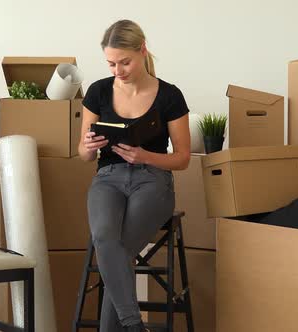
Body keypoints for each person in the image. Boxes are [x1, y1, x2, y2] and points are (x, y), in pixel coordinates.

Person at [78, 19, 190, 332]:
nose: (118, 70)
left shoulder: (169, 96)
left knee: (117, 250)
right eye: (111, 63)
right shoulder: (99, 92)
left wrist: (144, 156)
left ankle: (128, 325)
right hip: (108, 178)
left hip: (153, 180)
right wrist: (87, 145)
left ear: (142, 50)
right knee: (105, 238)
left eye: (124, 62)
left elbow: (182, 159)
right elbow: (84, 155)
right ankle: (133, 325)